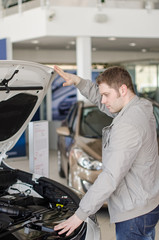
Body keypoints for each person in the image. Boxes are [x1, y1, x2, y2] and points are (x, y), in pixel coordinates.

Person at [54, 65, 159, 240]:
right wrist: (78, 82)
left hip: (133, 214)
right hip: (148, 204)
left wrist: (80, 215)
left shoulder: (127, 125)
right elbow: (104, 102)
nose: (102, 100)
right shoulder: (142, 106)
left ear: (123, 90)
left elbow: (110, 176)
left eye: (106, 95)